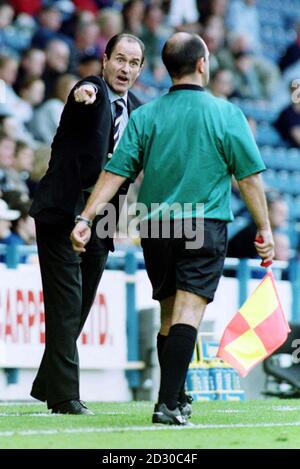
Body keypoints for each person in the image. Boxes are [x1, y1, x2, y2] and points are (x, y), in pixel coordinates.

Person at [71, 32, 274, 425]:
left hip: (156, 228)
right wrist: (263, 227)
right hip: (203, 222)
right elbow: (248, 177)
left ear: (166, 68)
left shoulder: (145, 114)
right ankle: (166, 405)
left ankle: (176, 395)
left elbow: (116, 171)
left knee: (168, 315)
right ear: (202, 64)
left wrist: (86, 217)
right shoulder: (226, 114)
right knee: (188, 311)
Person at [29, 33, 145, 415]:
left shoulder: (140, 113)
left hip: (103, 220)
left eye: (133, 63)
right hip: (62, 212)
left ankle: (49, 382)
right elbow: (83, 92)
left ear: (141, 69)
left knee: (79, 305)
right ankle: (64, 397)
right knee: (65, 304)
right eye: (120, 60)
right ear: (105, 60)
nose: (125, 69)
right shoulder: (91, 91)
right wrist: (80, 93)